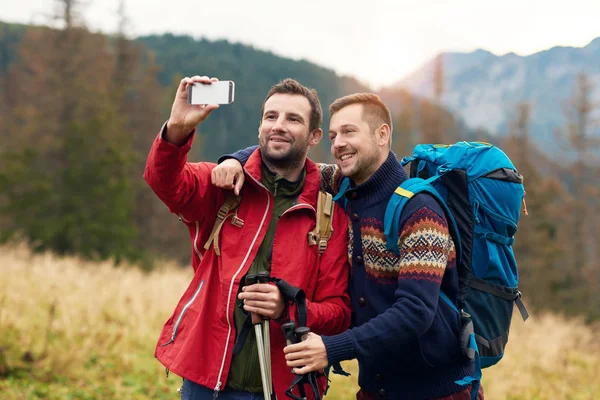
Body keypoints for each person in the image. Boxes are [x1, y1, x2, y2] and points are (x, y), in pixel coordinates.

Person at [213, 93, 484, 399]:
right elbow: (287, 156)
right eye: (333, 135)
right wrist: (234, 160)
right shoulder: (341, 183)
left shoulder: (419, 210)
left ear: (382, 135)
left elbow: (416, 311)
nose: (338, 143)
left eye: (349, 132)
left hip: (437, 391)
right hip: (374, 388)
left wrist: (332, 348)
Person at [144, 75, 351, 400]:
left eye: (293, 119)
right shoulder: (224, 186)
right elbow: (165, 182)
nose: (278, 126)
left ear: (314, 136)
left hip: (287, 388)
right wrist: (177, 129)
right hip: (207, 382)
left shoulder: (327, 214)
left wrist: (289, 308)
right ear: (260, 127)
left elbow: (339, 312)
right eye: (271, 116)